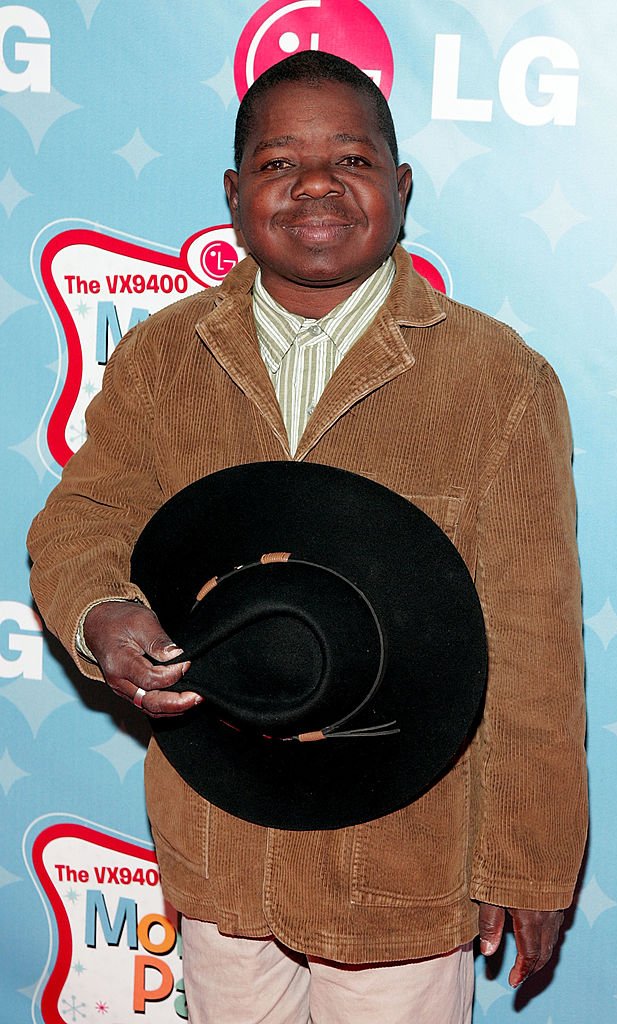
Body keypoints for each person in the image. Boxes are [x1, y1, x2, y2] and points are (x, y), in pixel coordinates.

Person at [28, 50, 587, 1024]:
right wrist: (99, 608)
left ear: (399, 187)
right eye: (281, 162)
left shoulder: (494, 377)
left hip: (404, 860)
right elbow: (86, 514)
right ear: (236, 195)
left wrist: (531, 857)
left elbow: (535, 640)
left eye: (352, 160)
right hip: (221, 842)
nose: (316, 183)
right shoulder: (167, 354)